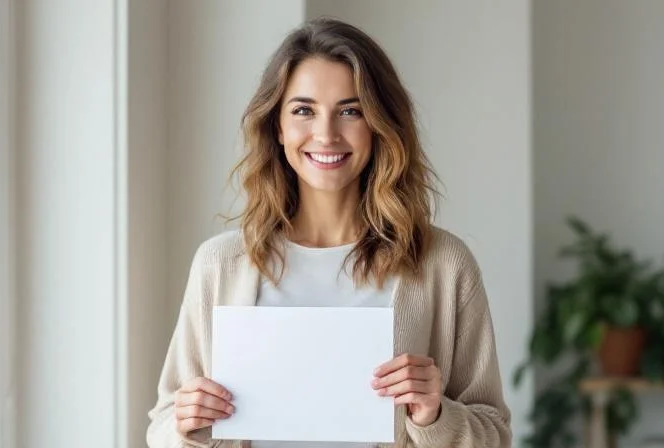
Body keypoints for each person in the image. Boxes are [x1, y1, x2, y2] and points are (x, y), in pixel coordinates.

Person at [146, 17, 511, 448]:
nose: (326, 134)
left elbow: (495, 435)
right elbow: (164, 425)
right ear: (277, 127)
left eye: (350, 111)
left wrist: (435, 415)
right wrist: (188, 425)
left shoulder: (443, 263)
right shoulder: (221, 263)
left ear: (379, 125)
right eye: (303, 110)